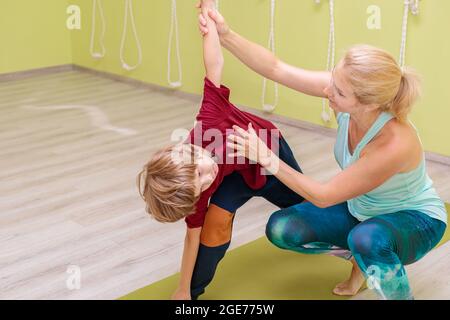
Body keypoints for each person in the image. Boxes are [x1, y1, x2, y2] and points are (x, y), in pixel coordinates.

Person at [199, 6, 448, 299]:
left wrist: (267, 157)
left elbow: (324, 195)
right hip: (362, 211)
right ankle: (362, 261)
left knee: (367, 238)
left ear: (368, 104)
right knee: (283, 228)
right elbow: (276, 68)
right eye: (333, 81)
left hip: (416, 220)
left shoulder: (394, 143)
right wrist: (226, 34)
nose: (329, 92)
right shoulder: (346, 93)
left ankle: (389, 283)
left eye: (339, 92)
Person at [137, 0, 306, 300]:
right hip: (236, 177)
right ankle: (193, 293)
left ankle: (352, 250)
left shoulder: (208, 122)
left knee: (307, 212)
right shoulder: (196, 187)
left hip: (269, 159)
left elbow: (213, 64)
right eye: (201, 184)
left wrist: (209, 17)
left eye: (199, 171)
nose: (207, 177)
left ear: (186, 151)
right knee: (211, 226)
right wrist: (182, 288)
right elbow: (192, 238)